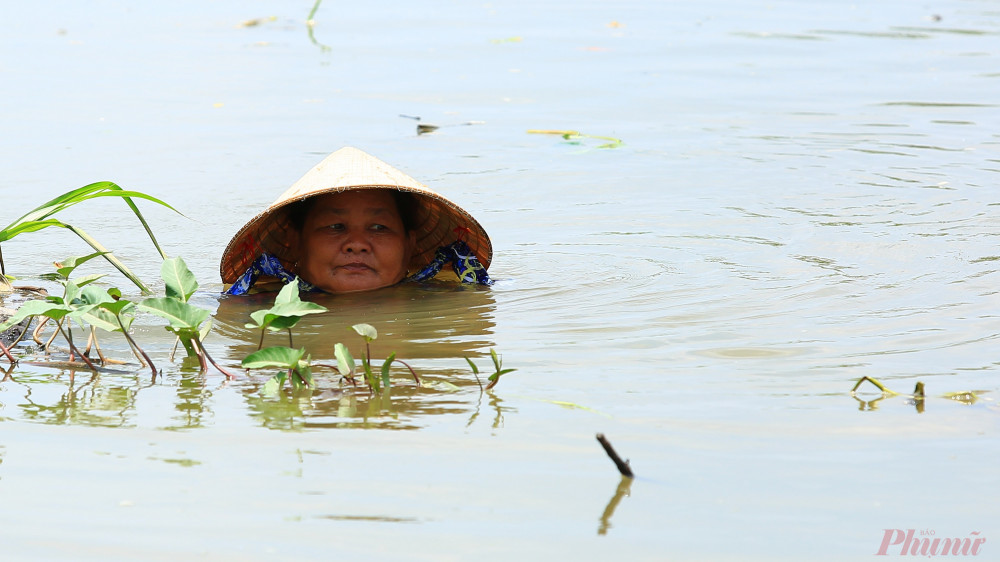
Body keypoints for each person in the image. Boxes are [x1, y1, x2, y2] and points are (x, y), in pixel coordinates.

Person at [220, 147, 493, 295]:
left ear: (410, 244)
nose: (357, 245)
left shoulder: (453, 298)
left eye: (379, 228)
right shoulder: (255, 309)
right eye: (335, 227)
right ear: (295, 242)